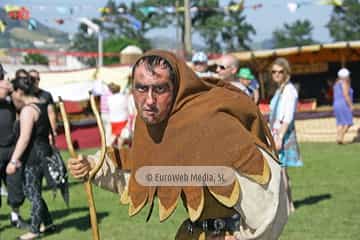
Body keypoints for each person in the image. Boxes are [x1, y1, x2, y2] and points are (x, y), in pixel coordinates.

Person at [68, 50, 288, 239]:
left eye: (160, 89)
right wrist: (95, 166)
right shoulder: (156, 125)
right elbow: (149, 175)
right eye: (142, 88)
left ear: (177, 87)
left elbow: (270, 187)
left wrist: (244, 237)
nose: (150, 100)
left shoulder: (212, 120)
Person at [6, 76, 55, 240]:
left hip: (33, 156)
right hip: (43, 152)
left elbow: (24, 138)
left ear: (20, 92)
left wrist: (13, 161)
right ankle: (48, 223)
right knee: (35, 192)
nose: (12, 96)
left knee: (32, 193)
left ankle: (34, 230)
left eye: (13, 92)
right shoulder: (42, 104)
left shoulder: (28, 110)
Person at [269, 57, 303, 215]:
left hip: (282, 134)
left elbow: (287, 117)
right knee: (280, 171)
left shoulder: (289, 91)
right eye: (273, 71)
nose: (276, 74)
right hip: (276, 132)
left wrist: (280, 137)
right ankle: (288, 204)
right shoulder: (280, 89)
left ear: (286, 73)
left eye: (280, 72)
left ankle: (287, 205)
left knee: (281, 171)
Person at [0, 64, 27, 229]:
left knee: (15, 185)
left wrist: (11, 89)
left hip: (11, 147)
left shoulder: (9, 91)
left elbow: (21, 103)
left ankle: (15, 217)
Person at [333, 68, 354, 144]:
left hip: (336, 104)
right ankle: (341, 137)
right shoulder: (345, 83)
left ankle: (338, 137)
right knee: (349, 122)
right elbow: (346, 95)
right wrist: (350, 105)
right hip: (343, 104)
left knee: (340, 122)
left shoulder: (336, 83)